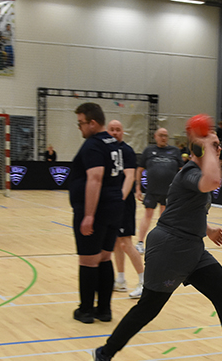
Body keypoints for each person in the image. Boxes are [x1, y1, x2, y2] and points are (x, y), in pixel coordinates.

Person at [92, 126, 222, 361]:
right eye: (214, 145)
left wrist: (207, 229)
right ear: (200, 149)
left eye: (218, 145)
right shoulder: (190, 172)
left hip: (193, 248)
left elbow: (186, 208)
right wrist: (207, 147)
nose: (219, 148)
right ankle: (105, 352)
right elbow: (213, 181)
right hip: (169, 248)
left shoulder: (197, 173)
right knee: (148, 308)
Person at [71, 102, 125, 324]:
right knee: (104, 257)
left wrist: (88, 215)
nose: (80, 128)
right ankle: (104, 309)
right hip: (114, 207)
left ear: (92, 123)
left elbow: (95, 178)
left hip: (98, 208)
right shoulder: (114, 143)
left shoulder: (93, 145)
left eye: (81, 123)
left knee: (88, 260)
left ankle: (85, 310)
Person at [106, 119, 144, 299]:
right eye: (112, 129)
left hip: (123, 203)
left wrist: (119, 199)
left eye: (118, 129)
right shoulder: (106, 150)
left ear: (123, 132)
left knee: (126, 243)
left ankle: (144, 281)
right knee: (115, 242)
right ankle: (120, 280)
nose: (115, 132)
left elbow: (130, 177)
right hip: (111, 202)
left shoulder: (127, 151)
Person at [135, 128, 182, 253]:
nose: (163, 138)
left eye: (165, 135)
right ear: (155, 136)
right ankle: (140, 242)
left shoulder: (175, 151)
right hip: (152, 191)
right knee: (148, 215)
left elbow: (182, 170)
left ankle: (163, 244)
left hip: (169, 192)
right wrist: (138, 188)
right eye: (161, 135)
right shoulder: (149, 151)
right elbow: (139, 170)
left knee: (165, 218)